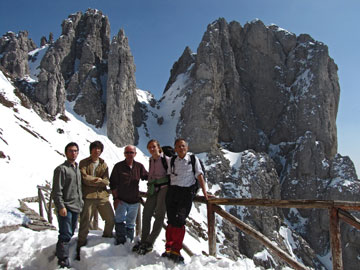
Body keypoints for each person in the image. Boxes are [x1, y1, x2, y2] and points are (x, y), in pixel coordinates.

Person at [163, 138, 209, 263]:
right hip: (172, 192)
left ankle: (176, 250)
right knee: (171, 221)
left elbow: (199, 175)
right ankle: (169, 249)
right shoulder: (172, 160)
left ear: (187, 148)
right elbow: (169, 176)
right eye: (178, 146)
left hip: (186, 193)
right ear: (175, 149)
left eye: (183, 146)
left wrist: (205, 193)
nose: (181, 148)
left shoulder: (193, 159)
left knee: (180, 220)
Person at [76, 141, 115, 260]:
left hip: (102, 196)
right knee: (85, 222)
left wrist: (95, 180)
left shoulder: (103, 164)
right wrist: (98, 180)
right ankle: (79, 247)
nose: (96, 151)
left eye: (99, 149)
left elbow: (107, 181)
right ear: (91, 150)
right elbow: (84, 178)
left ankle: (106, 242)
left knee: (110, 219)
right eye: (94, 149)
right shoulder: (84, 163)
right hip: (88, 196)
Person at [132, 139, 170, 255]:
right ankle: (144, 241)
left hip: (164, 189)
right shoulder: (151, 160)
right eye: (150, 147)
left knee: (159, 216)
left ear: (158, 147)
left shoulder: (166, 160)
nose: (152, 149)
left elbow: (171, 175)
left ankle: (149, 242)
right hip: (153, 189)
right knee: (146, 214)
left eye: (154, 147)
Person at [51, 142, 83, 268]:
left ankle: (64, 256)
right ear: (66, 153)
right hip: (66, 206)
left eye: (75, 151)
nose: (73, 153)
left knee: (70, 233)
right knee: (65, 233)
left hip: (76, 206)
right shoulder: (61, 169)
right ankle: (62, 260)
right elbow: (56, 191)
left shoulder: (77, 168)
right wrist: (61, 206)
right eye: (70, 151)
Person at [110, 145, 148, 245]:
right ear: (124, 154)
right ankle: (121, 242)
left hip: (134, 201)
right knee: (119, 220)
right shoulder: (118, 166)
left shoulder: (139, 166)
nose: (129, 154)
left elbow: (147, 176)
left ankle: (128, 243)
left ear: (135, 154)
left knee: (131, 224)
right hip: (121, 200)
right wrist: (115, 198)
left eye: (131, 152)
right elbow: (113, 183)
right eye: (127, 152)